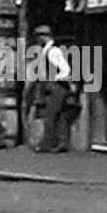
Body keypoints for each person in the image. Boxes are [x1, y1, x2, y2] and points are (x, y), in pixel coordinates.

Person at [30, 25, 72, 153]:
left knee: (51, 116)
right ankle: (61, 143)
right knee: (58, 116)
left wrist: (53, 79)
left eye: (39, 37)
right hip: (51, 86)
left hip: (56, 87)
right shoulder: (46, 50)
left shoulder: (53, 51)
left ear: (44, 36)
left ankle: (47, 144)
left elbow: (66, 70)